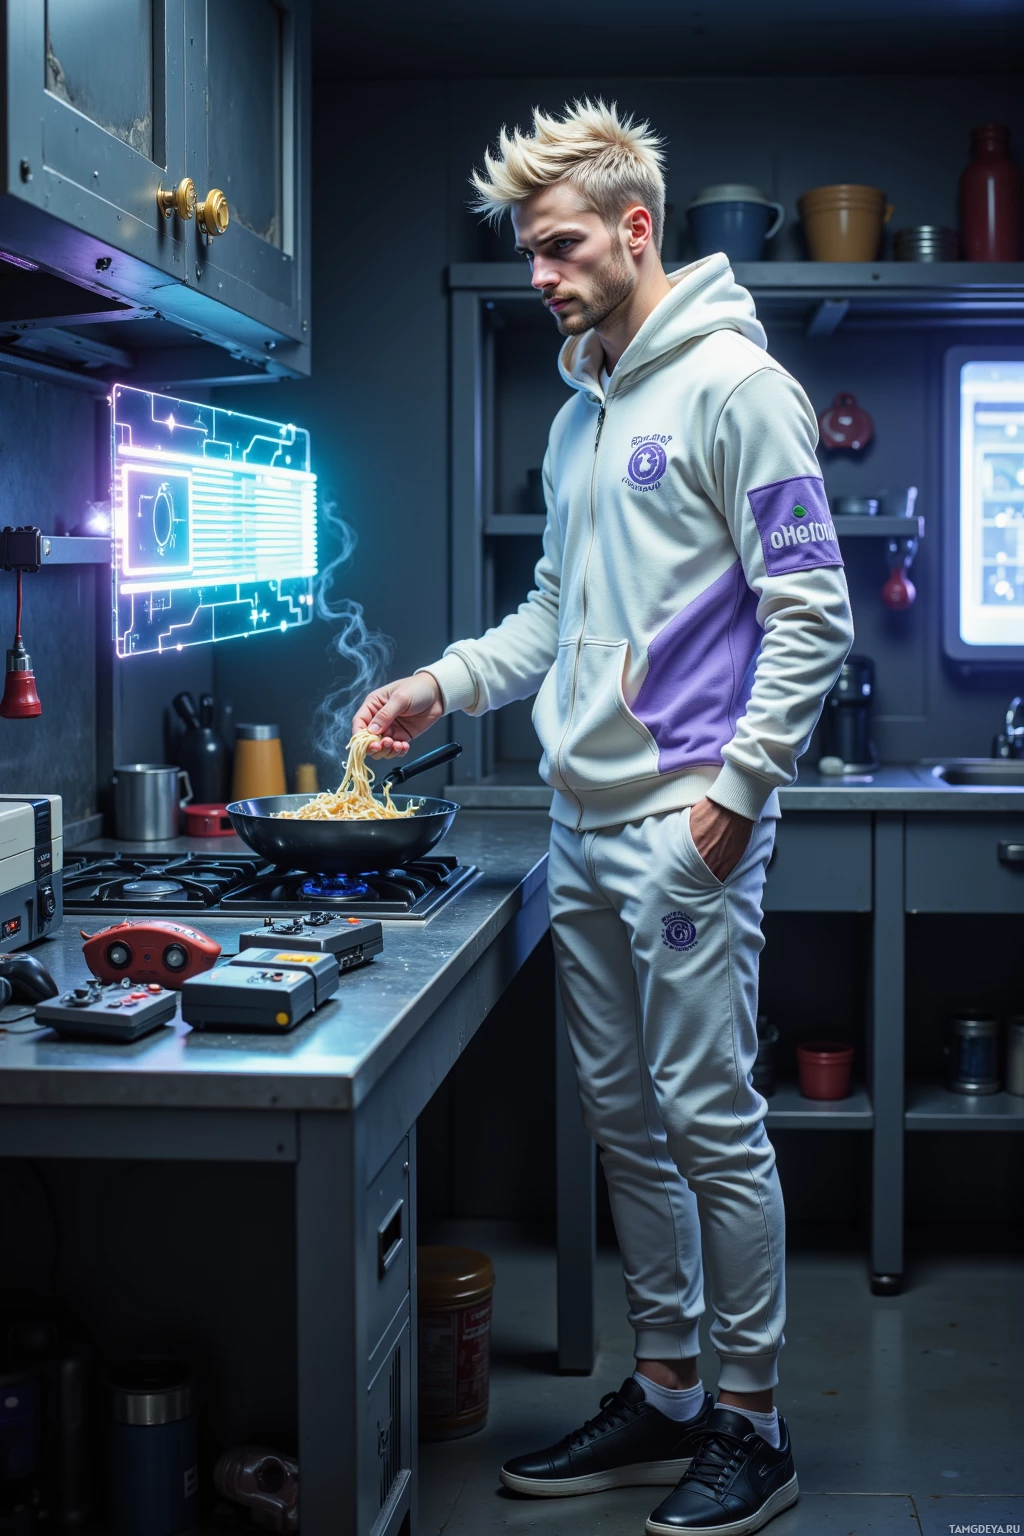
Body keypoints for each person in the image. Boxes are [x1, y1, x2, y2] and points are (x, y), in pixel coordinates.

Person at [353, 99, 853, 1536]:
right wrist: (441, 686)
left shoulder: (737, 388)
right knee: (625, 1124)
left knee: (711, 1124)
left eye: (562, 246)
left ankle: (754, 1424)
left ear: (638, 229)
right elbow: (552, 613)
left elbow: (811, 614)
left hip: (684, 824)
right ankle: (672, 1388)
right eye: (529, 251)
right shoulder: (583, 411)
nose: (541, 274)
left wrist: (733, 799)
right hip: (581, 827)